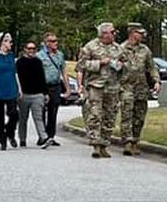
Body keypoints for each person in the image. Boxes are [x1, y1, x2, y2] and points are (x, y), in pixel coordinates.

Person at [76, 22, 124, 158]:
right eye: (112, 32)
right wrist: (99, 63)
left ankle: (104, 144)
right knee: (95, 115)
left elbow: (125, 63)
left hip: (112, 87)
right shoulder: (90, 47)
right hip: (96, 86)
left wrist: (121, 65)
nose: (114, 34)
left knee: (110, 116)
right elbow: (81, 65)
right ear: (104, 34)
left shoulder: (118, 48)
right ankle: (96, 144)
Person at [119, 23, 160, 155]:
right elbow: (114, 69)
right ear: (132, 33)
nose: (142, 35)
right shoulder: (121, 49)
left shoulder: (145, 50)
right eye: (140, 33)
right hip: (126, 87)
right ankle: (127, 143)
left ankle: (135, 141)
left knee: (139, 116)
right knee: (127, 115)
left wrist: (156, 81)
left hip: (141, 87)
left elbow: (151, 67)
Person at [36, 31, 69, 148]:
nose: (56, 43)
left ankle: (51, 136)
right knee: (42, 112)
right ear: (47, 43)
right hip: (43, 87)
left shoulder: (60, 55)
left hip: (56, 86)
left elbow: (64, 71)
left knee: (53, 111)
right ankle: (42, 136)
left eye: (56, 41)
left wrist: (67, 88)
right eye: (53, 41)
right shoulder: (39, 56)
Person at [16, 41, 49, 147]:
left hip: (37, 94)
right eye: (29, 48)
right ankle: (22, 138)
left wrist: (45, 93)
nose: (31, 50)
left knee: (38, 117)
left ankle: (43, 137)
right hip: (23, 95)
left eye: (33, 48)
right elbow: (16, 78)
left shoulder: (38, 62)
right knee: (22, 118)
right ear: (25, 49)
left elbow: (42, 78)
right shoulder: (19, 62)